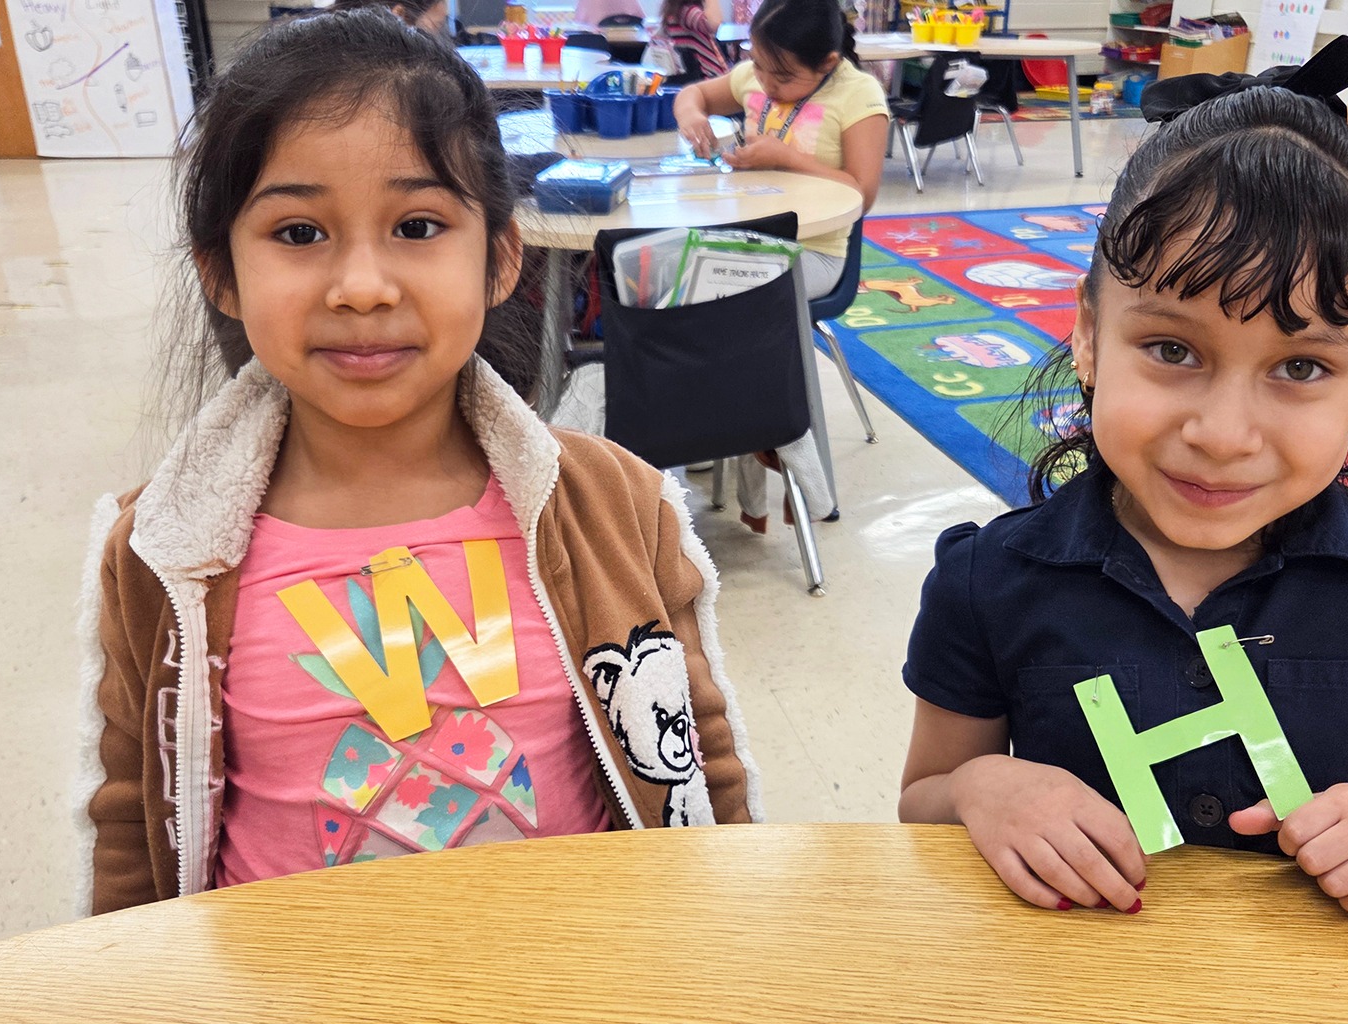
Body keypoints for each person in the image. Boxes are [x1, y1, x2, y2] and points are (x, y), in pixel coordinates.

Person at [76, 6, 762, 915]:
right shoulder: (162, 551)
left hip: (583, 966)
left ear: (500, 258)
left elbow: (698, 758)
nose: (363, 288)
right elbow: (133, 824)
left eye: (418, 225)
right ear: (221, 273)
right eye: (298, 233)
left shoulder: (614, 504)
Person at [895, 60, 1348, 918]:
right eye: (1173, 351)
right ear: (1089, 334)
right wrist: (983, 786)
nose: (1223, 434)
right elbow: (924, 798)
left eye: (1301, 367)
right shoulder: (985, 580)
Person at [671, 0, 887, 299]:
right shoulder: (753, 77)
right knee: (662, 267)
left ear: (827, 63)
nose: (767, 84)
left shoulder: (856, 93)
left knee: (707, 290)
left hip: (812, 250)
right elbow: (693, 94)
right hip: (744, 237)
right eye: (758, 65)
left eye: (783, 77)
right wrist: (691, 115)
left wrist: (787, 158)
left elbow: (862, 194)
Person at [658, 0, 729, 84]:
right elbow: (714, 23)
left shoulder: (676, 11)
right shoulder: (688, 12)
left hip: (697, 79)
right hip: (706, 79)